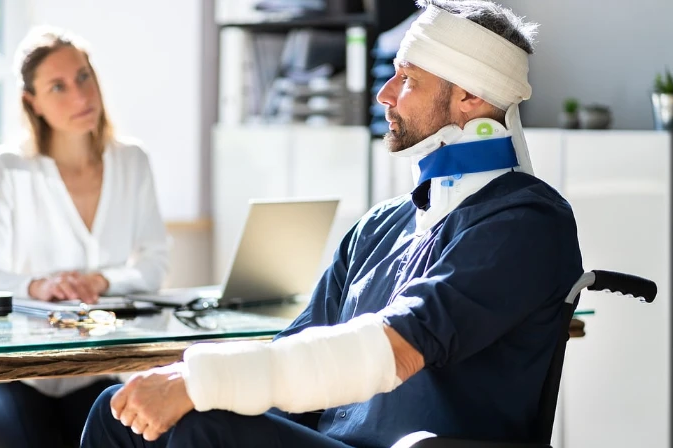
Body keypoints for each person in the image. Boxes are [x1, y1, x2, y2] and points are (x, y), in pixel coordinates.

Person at [80, 0, 585, 447]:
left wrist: (200, 384)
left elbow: (395, 349)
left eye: (408, 79)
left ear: (471, 99)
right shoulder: (380, 226)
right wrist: (186, 387)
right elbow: (297, 354)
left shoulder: (526, 223)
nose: (385, 93)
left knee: (200, 425)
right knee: (120, 410)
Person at [0, 25, 170, 448]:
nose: (80, 96)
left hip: (94, 370)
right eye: (58, 86)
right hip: (9, 374)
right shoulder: (9, 168)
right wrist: (40, 286)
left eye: (83, 76)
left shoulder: (132, 161)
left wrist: (101, 281)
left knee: (140, 433)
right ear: (31, 102)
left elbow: (155, 265)